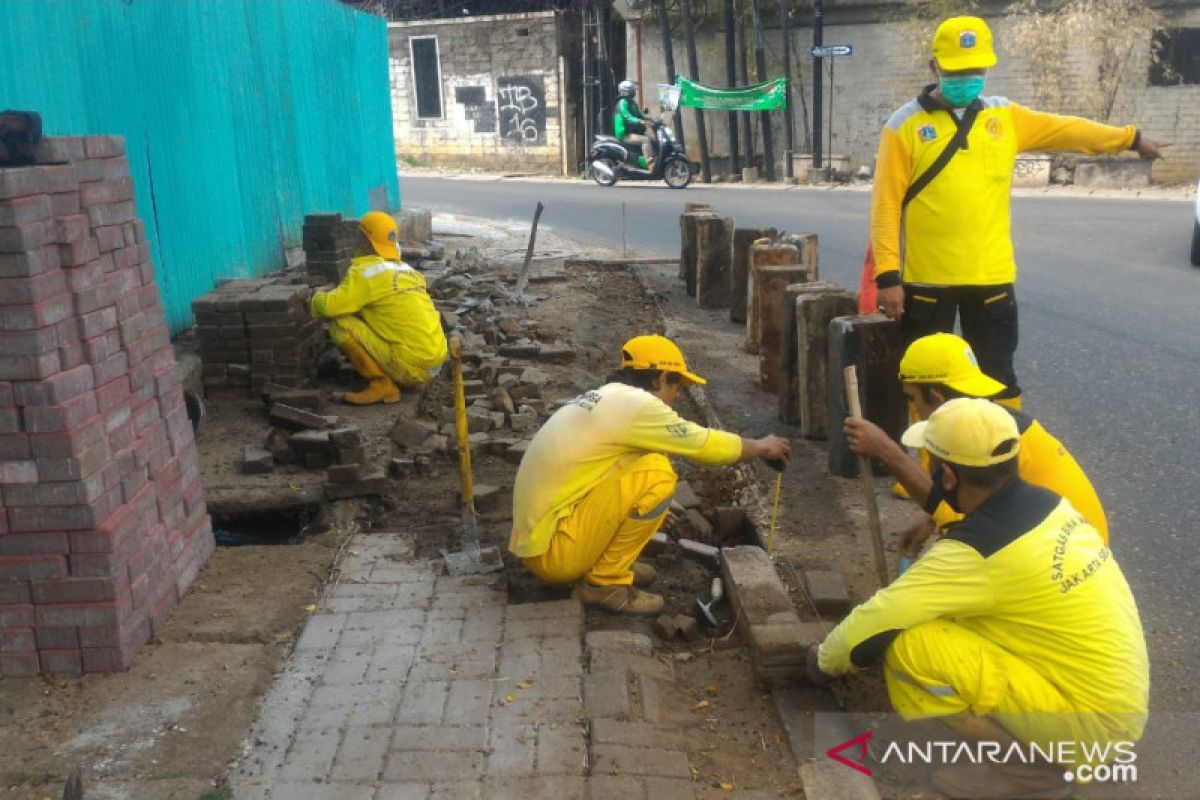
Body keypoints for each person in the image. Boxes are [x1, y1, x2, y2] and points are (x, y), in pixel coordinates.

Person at [811, 398, 1148, 799]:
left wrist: (821, 662)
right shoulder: (1050, 506)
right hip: (1114, 705)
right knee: (955, 621)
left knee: (908, 647)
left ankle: (1033, 771)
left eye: (931, 464)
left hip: (1090, 727)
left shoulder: (980, 550)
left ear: (948, 477)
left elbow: (877, 620)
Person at [871, 16, 1167, 409]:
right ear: (934, 67)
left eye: (976, 69)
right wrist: (888, 277)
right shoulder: (904, 125)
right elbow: (886, 205)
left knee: (998, 381)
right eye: (957, 70)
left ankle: (1002, 463)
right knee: (924, 380)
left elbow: (1069, 130)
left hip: (991, 279)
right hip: (926, 283)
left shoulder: (1003, 117)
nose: (967, 77)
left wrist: (1129, 139)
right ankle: (932, 467)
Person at [510, 335, 790, 615]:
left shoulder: (609, 398)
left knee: (649, 460)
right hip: (554, 553)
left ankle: (608, 565)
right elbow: (703, 444)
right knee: (657, 473)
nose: (677, 395)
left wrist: (641, 514)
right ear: (660, 379)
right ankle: (604, 584)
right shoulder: (639, 406)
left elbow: (601, 474)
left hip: (541, 540)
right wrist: (760, 447)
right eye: (677, 385)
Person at [844, 333, 1107, 557]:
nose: (915, 409)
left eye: (913, 399)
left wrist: (885, 450)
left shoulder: (981, 440)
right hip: (1078, 549)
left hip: (1060, 558)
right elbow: (973, 503)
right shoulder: (993, 424)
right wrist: (931, 520)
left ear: (936, 396)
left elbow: (971, 526)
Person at [310, 212, 448, 405]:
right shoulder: (407, 270)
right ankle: (395, 372)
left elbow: (329, 307)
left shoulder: (366, 274)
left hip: (411, 366)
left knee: (339, 323)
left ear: (364, 240)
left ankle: (381, 385)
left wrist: (314, 298)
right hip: (435, 361)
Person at [614, 80, 656, 170]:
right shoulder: (623, 102)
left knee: (653, 140)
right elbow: (627, 117)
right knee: (646, 140)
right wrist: (640, 121)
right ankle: (650, 164)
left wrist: (651, 119)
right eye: (632, 90)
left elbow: (639, 114)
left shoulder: (632, 102)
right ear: (626, 91)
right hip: (625, 134)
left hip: (633, 132)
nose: (634, 92)